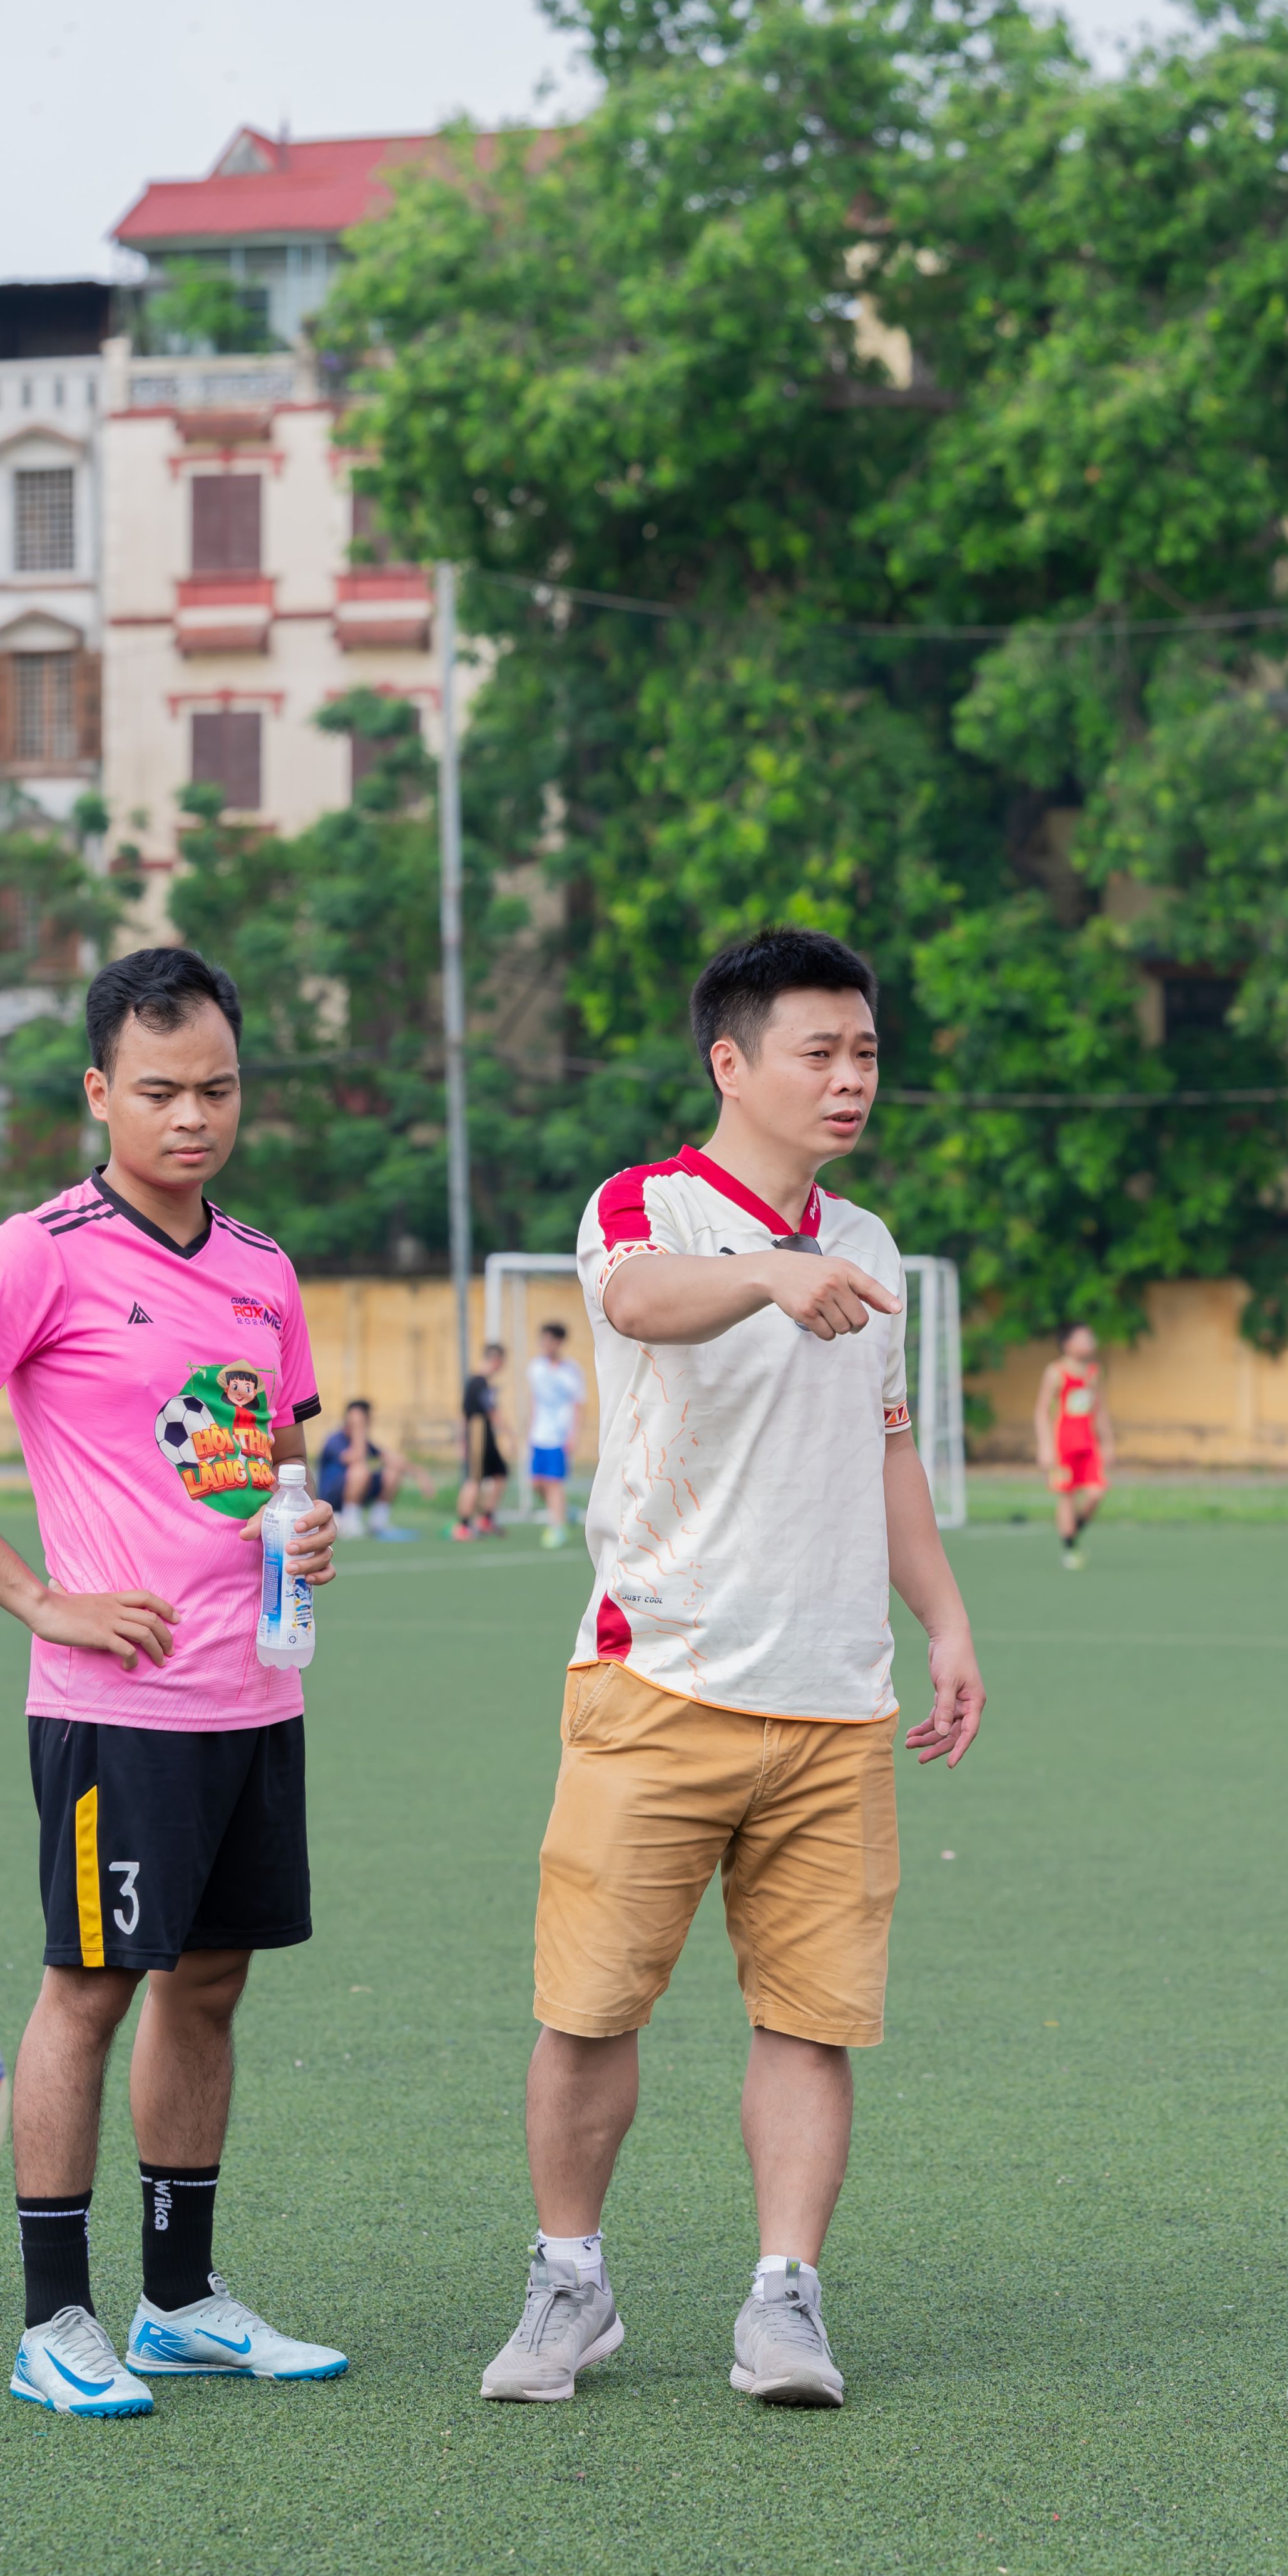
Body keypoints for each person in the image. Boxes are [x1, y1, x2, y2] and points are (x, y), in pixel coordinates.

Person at [478, 923, 986, 2410]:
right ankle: (568, 2280)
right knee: (589, 2009)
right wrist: (769, 1272)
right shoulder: (647, 1205)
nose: (850, 1079)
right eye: (818, 1051)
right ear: (731, 1062)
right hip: (659, 1682)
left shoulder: (869, 1246)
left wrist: (947, 1621)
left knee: (812, 2022)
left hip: (835, 1701)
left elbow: (887, 1451)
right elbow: (638, 1303)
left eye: (865, 1052)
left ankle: (785, 2302)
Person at [0, 943, 349, 2419]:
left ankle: (181, 2301)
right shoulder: (41, 1252)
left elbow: (276, 1459)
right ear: (98, 1091)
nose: (192, 1116)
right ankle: (53, 2321)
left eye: (217, 1088)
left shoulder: (262, 1269)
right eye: (158, 1091)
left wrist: (303, 1520)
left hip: (253, 1691)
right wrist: (38, 1597)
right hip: (114, 1709)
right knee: (89, 1989)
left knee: (211, 1985)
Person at [1035, 1323, 1112, 1568]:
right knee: (1067, 1496)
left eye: (1091, 1338)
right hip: (1063, 1446)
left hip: (1088, 1444)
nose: (1090, 1343)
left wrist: (1108, 1442)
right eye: (1083, 1339)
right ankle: (1070, 1549)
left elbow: (1100, 1410)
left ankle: (1071, 1532)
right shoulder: (1055, 1372)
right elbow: (1042, 1411)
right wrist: (1045, 1446)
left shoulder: (1093, 1372)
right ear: (1068, 1344)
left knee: (1096, 1494)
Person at [525, 1321, 586, 1551]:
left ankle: (557, 1527)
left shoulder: (571, 1370)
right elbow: (534, 1401)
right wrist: (529, 1431)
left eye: (551, 1340)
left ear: (560, 1343)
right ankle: (563, 1512)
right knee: (536, 1484)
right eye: (544, 1339)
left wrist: (574, 1435)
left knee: (554, 1483)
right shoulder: (535, 1368)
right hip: (538, 1436)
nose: (546, 1344)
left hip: (559, 1436)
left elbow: (579, 1405)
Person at [319, 1395, 414, 1541]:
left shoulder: (365, 1442)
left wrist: (421, 1476)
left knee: (392, 1473)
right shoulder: (335, 1440)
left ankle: (379, 1522)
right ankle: (350, 1522)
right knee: (360, 1470)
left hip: (359, 1491)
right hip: (333, 1497)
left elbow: (392, 1459)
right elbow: (356, 1457)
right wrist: (359, 1431)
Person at [453, 1340, 508, 1540]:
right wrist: (509, 1434)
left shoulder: (481, 1383)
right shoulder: (479, 1383)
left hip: (486, 1432)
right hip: (478, 1431)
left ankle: (486, 1518)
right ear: (496, 1360)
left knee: (500, 1473)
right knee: (475, 1478)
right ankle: (463, 1526)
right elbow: (488, 1412)